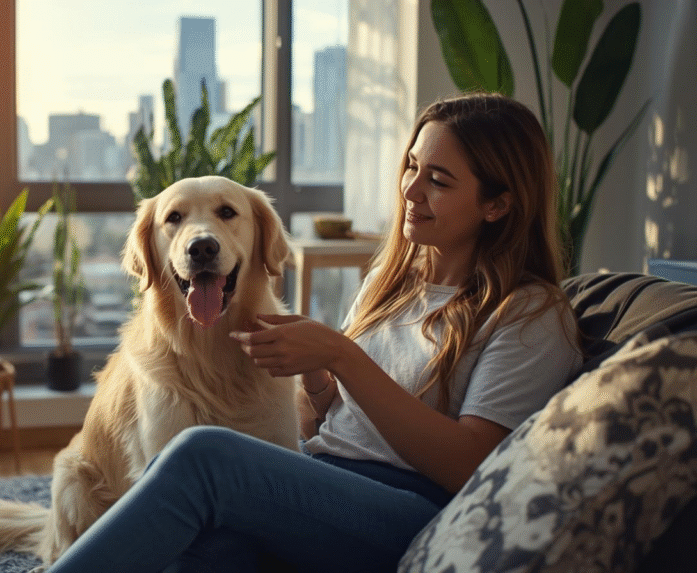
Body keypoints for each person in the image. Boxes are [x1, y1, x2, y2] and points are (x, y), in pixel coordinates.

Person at [43, 93, 583, 573]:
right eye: (411, 167)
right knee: (209, 545)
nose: (410, 191)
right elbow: (341, 416)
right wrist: (321, 379)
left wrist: (342, 355)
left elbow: (469, 463)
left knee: (201, 455)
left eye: (438, 181)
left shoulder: (531, 313)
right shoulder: (391, 281)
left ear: (498, 204)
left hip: (412, 510)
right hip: (321, 476)